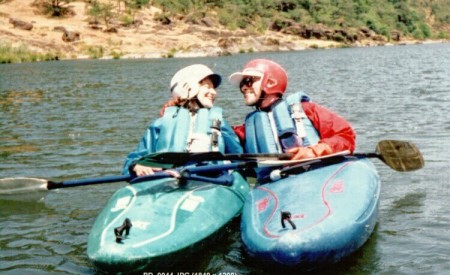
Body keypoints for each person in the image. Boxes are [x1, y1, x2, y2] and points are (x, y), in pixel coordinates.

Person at [228, 58, 355, 166]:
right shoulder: (247, 129)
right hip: (275, 184)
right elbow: (225, 139)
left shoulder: (307, 109)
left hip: (315, 174)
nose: (244, 87)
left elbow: (346, 136)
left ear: (271, 82)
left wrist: (314, 151)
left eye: (248, 81)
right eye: (241, 84)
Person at [123, 64, 243, 176]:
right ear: (188, 87)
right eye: (208, 87)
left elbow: (237, 155)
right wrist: (135, 166)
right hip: (168, 180)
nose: (214, 92)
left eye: (214, 88)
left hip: (210, 180)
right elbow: (135, 158)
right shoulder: (161, 124)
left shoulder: (218, 122)